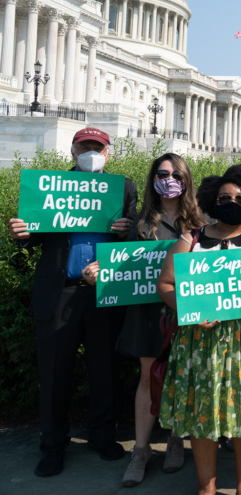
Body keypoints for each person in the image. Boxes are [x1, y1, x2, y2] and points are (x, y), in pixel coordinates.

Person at [7, 127, 136, 478]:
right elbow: (32, 236)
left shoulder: (123, 187)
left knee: (104, 369)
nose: (91, 151)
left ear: (108, 153)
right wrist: (20, 233)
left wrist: (127, 230)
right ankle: (52, 446)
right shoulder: (49, 187)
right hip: (58, 291)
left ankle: (102, 435)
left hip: (104, 292)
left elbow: (135, 238)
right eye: (85, 146)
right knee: (54, 374)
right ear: (73, 150)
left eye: (98, 147)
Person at [157, 165, 241, 495]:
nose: (233, 202)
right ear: (212, 200)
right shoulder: (193, 239)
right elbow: (165, 284)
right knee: (202, 417)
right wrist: (190, 311)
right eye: (225, 197)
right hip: (200, 343)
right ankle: (207, 487)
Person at [118, 153, 204, 486]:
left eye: (176, 175)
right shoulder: (138, 222)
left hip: (185, 311)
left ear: (186, 181)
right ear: (153, 178)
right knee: (147, 378)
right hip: (147, 311)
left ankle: (175, 439)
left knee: (181, 377)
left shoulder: (200, 224)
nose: (169, 180)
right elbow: (122, 267)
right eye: (162, 173)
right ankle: (140, 451)